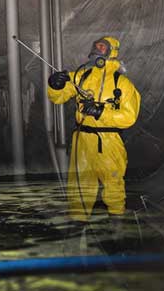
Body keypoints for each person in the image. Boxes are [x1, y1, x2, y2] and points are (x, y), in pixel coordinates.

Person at [47, 36, 140, 221]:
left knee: (113, 183)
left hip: (109, 142)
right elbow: (58, 97)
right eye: (96, 46)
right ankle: (77, 225)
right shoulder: (82, 77)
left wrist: (100, 112)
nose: (97, 50)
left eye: (102, 47)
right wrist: (55, 85)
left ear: (111, 52)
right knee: (80, 186)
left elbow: (129, 117)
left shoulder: (122, 84)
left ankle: (117, 224)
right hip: (82, 139)